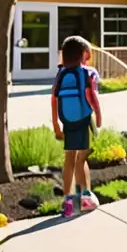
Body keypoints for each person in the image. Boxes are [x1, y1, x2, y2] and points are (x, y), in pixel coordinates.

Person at [51, 36, 102, 217]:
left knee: (69, 160)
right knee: (82, 159)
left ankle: (68, 202)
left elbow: (54, 99)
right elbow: (92, 97)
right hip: (83, 119)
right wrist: (99, 116)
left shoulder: (61, 73)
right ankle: (86, 198)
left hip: (67, 121)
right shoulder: (88, 73)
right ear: (83, 54)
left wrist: (56, 124)